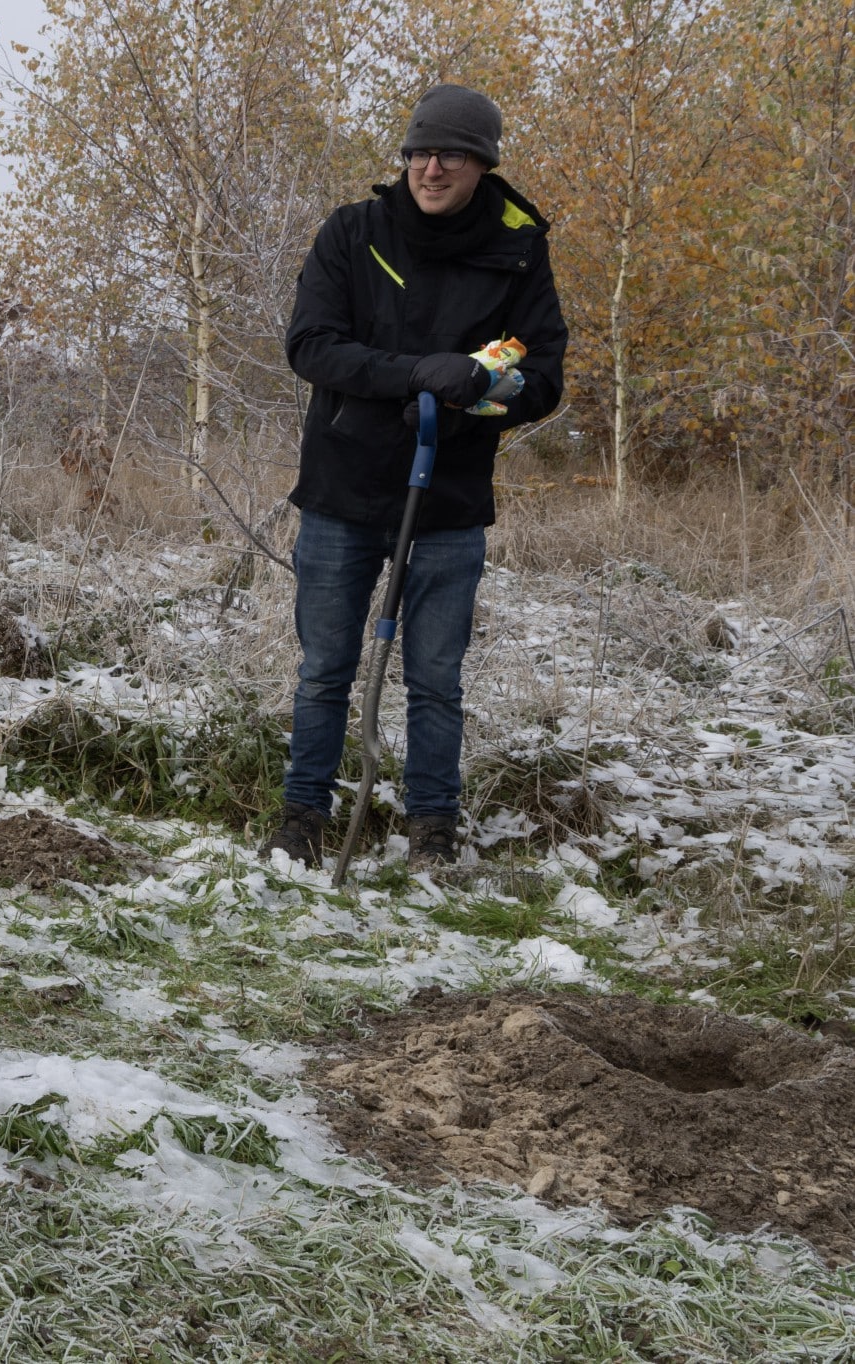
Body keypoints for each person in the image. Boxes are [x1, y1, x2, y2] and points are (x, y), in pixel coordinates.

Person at [264, 84, 567, 869]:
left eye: (450, 155)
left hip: (450, 494)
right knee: (324, 667)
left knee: (436, 676)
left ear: (481, 164)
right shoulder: (352, 232)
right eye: (418, 153)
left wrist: (479, 390)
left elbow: (543, 374)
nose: (430, 168)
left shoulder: (518, 246)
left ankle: (432, 827)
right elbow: (310, 345)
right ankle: (302, 816)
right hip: (343, 485)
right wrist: (413, 376)